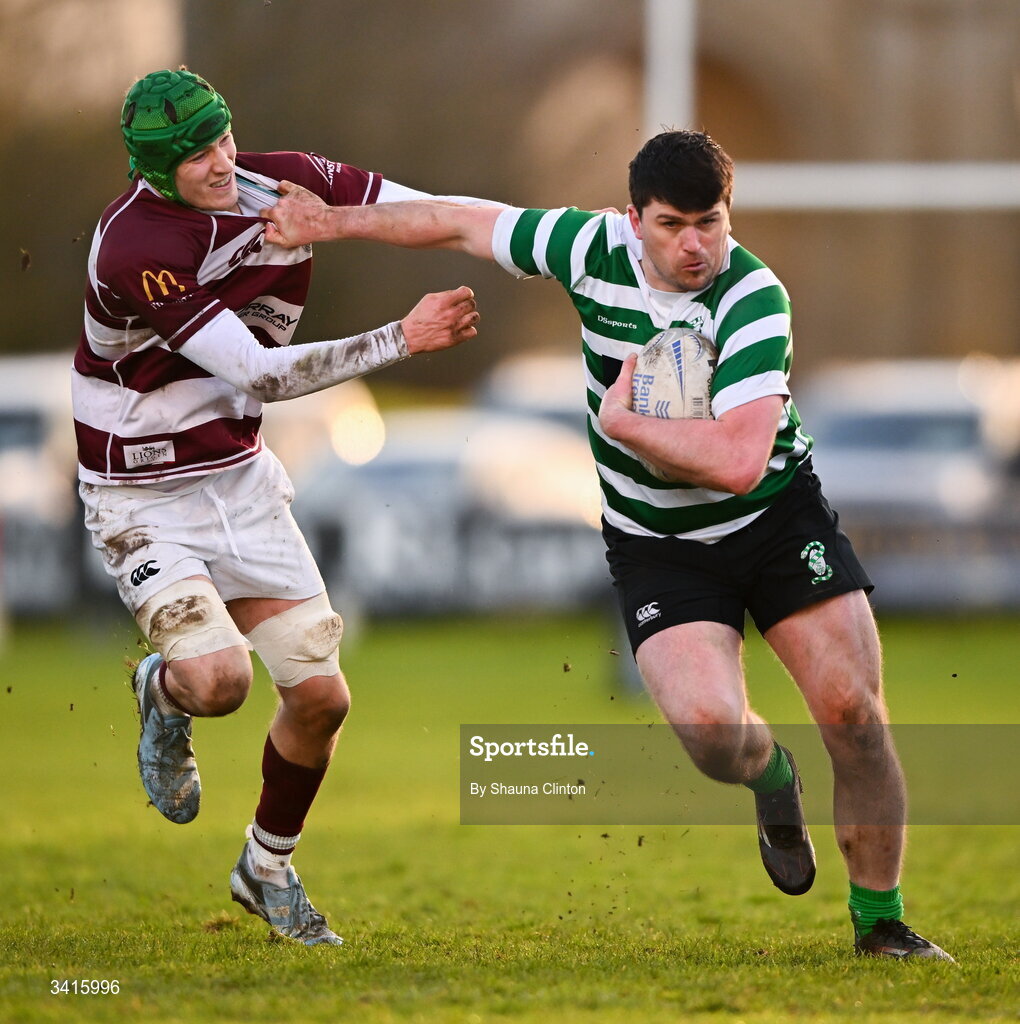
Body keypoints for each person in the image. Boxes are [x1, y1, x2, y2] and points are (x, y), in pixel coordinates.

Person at [261, 130, 953, 961]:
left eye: (712, 221)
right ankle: (773, 777)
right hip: (658, 541)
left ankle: (882, 923)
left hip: (776, 520)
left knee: (854, 715)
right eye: (672, 225)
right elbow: (456, 222)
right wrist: (326, 223)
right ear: (633, 221)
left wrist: (625, 423)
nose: (695, 245)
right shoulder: (586, 246)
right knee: (709, 736)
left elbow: (738, 462)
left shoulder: (752, 297)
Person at [73, 68, 482, 946]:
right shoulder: (134, 242)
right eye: (195, 155)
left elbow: (433, 210)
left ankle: (266, 867)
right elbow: (260, 373)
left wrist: (557, 241)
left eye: (223, 137)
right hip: (140, 492)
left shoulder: (278, 177)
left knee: (324, 699)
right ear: (154, 171)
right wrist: (400, 337)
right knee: (220, 682)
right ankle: (165, 691)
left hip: (238, 478)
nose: (221, 162)